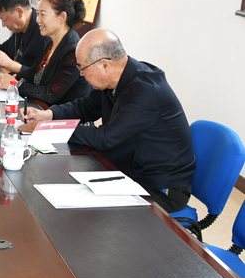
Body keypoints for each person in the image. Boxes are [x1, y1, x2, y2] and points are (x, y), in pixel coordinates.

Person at [22, 29, 195, 213]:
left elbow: (106, 138)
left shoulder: (145, 91)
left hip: (160, 187)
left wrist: (52, 128)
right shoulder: (118, 77)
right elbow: (85, 107)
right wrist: (49, 115)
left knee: (83, 213)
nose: (81, 74)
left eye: (82, 68)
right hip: (129, 168)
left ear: (104, 64)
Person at [0, 0, 90, 106]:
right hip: (44, 109)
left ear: (62, 17)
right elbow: (32, 73)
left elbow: (50, 94)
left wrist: (15, 84)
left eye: (43, 15)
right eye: (37, 14)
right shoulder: (52, 43)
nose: (38, 20)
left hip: (65, 115)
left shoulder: (72, 51)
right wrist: (8, 77)